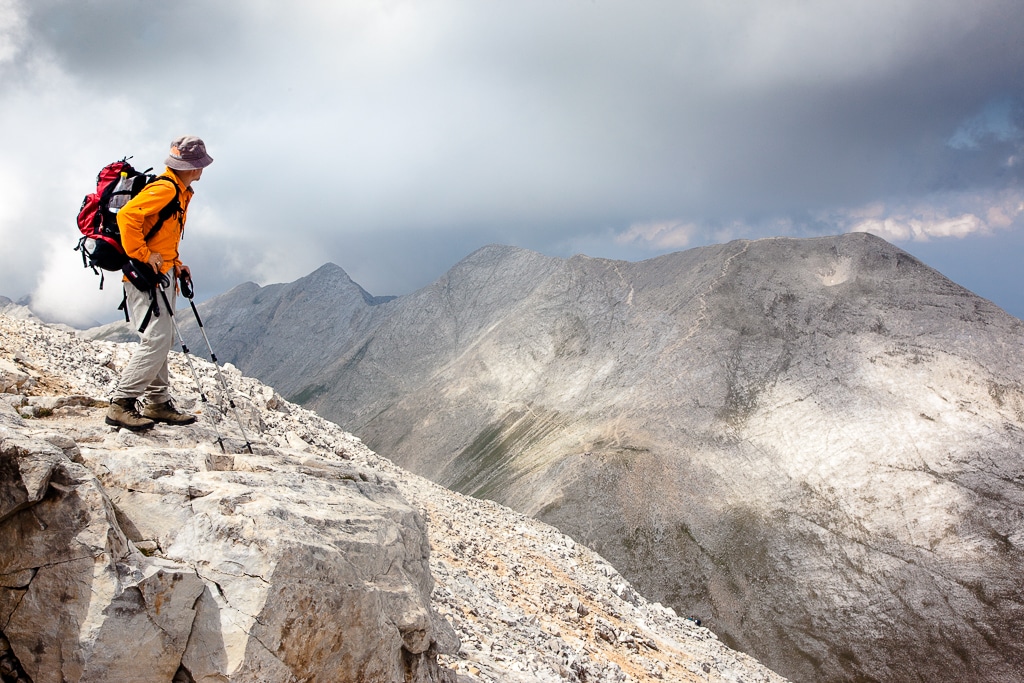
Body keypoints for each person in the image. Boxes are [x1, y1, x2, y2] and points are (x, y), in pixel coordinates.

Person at [105, 135, 213, 431]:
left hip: (162, 272)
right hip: (147, 276)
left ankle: (157, 403)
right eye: (200, 164)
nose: (202, 169)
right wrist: (142, 254)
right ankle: (122, 403)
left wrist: (176, 265)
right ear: (191, 166)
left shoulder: (179, 191)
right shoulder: (166, 189)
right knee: (156, 339)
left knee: (160, 337)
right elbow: (128, 216)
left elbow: (162, 236)